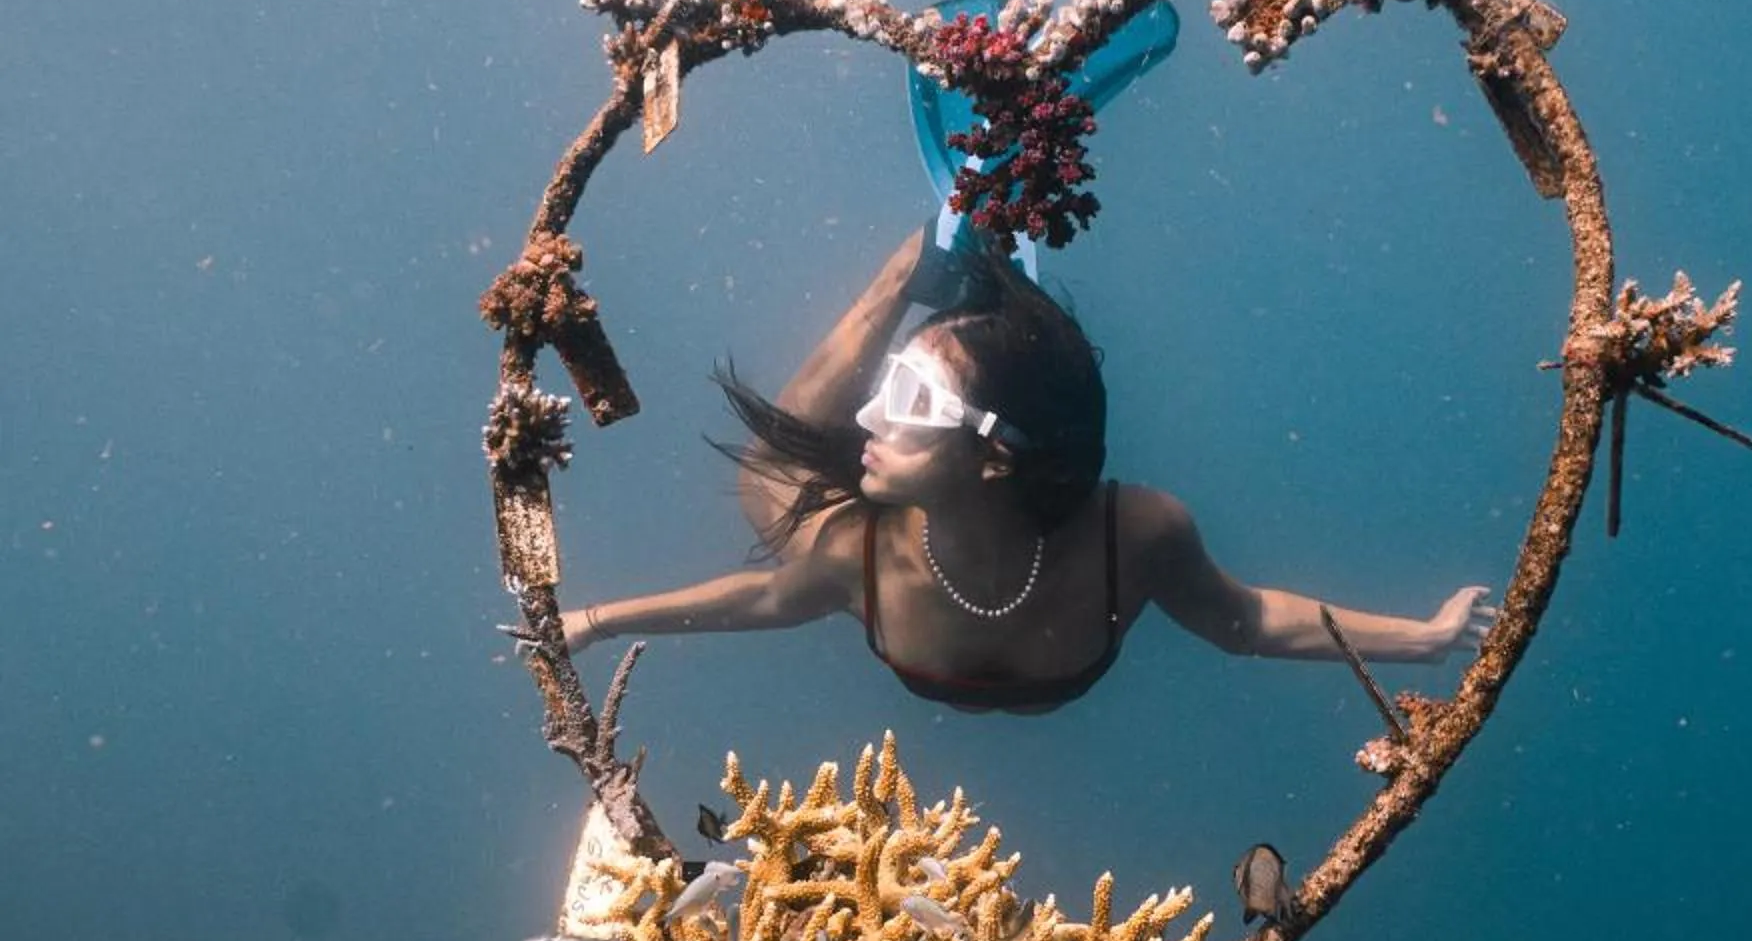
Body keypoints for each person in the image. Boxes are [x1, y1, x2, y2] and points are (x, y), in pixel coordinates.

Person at [557, 227, 1495, 715]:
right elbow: (759, 602)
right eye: (886, 390)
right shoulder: (857, 550)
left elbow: (1246, 619)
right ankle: (901, 277)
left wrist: (1422, 638)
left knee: (795, 469)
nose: (871, 416)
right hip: (861, 523)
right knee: (775, 469)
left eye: (913, 404)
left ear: (999, 459)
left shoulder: (1141, 534)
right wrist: (593, 624)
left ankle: (914, 285)